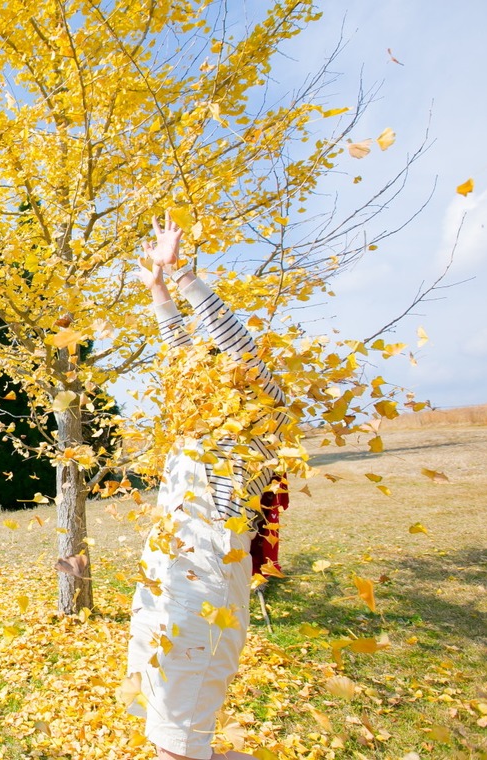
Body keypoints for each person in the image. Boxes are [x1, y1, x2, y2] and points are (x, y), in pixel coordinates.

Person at [125, 213, 288, 760]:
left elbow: (234, 343)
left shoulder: (262, 410)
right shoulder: (196, 419)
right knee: (163, 726)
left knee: (181, 736)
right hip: (163, 565)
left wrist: (183, 275)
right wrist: (158, 291)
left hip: (209, 567)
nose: (203, 377)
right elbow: (180, 354)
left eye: (215, 368)